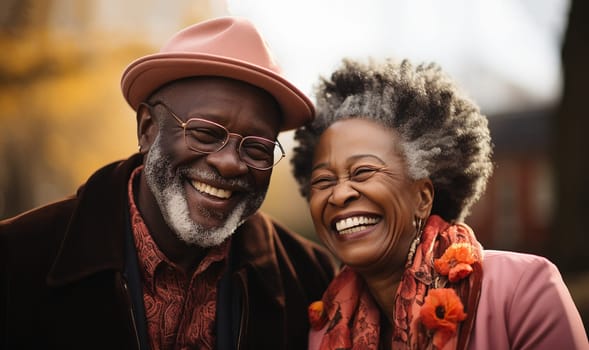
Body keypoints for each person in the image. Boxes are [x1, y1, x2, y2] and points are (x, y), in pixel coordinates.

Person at [0, 16, 337, 350]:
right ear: (147, 129)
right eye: (205, 133)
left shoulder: (311, 279)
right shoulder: (16, 258)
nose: (230, 163)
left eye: (257, 148)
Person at [291, 58, 588, 349]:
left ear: (422, 197)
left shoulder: (521, 291)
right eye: (324, 181)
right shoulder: (323, 332)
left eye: (364, 172)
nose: (340, 194)